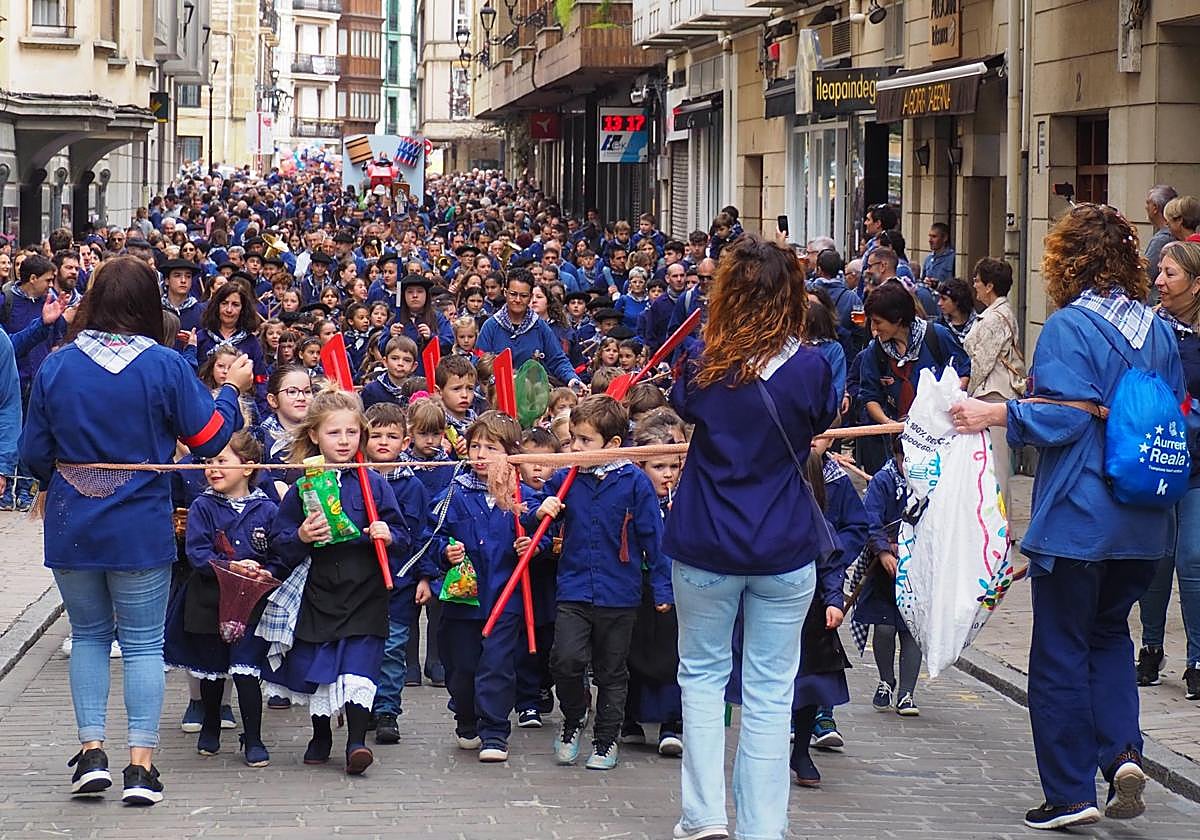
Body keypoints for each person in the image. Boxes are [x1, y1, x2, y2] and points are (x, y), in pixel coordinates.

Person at [949, 204, 1186, 830]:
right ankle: (1124, 751)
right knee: (1110, 636)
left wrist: (994, 414)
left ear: (1067, 260)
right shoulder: (1159, 331)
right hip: (1144, 522)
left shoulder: (1067, 326)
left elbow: (1065, 415)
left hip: (1081, 517)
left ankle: (1069, 792)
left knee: (1058, 651)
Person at [20, 256, 253, 805]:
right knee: (144, 642)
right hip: (140, 520)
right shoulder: (165, 365)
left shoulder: (58, 365)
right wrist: (229, 388)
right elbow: (213, 438)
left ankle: (92, 752)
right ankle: (141, 767)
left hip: (73, 521)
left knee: (91, 638)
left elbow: (33, 455)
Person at [665, 234, 838, 840]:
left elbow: (684, 405)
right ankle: (764, 826)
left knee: (704, 679)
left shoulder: (701, 360)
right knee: (769, 692)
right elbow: (819, 420)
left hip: (706, 538)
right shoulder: (813, 366)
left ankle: (704, 814)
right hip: (784, 543)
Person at [260, 389, 412, 776]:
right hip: (321, 589)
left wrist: (387, 533)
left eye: (351, 433)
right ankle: (321, 734)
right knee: (321, 665)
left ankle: (357, 742)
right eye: (334, 433)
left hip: (366, 589)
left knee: (360, 666)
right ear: (314, 436)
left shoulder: (373, 484)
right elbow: (281, 541)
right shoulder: (302, 487)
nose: (344, 441)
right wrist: (303, 537)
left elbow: (403, 533)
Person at [537, 395, 670, 772]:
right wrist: (538, 509)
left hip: (619, 593)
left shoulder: (634, 483)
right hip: (574, 587)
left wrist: (662, 588)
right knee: (565, 659)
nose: (575, 448)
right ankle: (574, 717)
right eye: (573, 439)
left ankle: (606, 737)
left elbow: (652, 538)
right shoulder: (566, 477)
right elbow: (534, 508)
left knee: (612, 669)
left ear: (612, 445)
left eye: (584, 441)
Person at [434, 411, 544, 762]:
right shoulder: (454, 492)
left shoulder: (521, 495)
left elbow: (541, 528)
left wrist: (534, 544)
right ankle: (465, 715)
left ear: (511, 452)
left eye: (491, 447)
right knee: (461, 668)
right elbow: (431, 535)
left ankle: (495, 731)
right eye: (475, 446)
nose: (480, 455)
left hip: (505, 597)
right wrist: (443, 552)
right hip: (462, 600)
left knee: (497, 664)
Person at [162, 431, 277, 768]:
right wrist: (229, 566)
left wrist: (265, 570)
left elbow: (279, 551)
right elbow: (197, 553)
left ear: (248, 467)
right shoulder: (202, 506)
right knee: (212, 669)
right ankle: (210, 724)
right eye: (207, 462)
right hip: (208, 601)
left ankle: (253, 737)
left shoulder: (267, 509)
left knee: (246, 671)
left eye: (221, 461)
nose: (212, 468)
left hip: (250, 605)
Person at [1135, 240, 1200, 700]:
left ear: (1197, 285)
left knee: (1192, 558)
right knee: (1156, 559)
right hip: (1155, 460)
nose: (1158, 281)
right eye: (1159, 272)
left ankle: (1197, 658)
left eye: (1170, 274)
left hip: (1197, 464)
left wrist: (1187, 411)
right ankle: (1151, 647)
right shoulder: (1150, 328)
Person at [362, 402, 436, 746]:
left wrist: (425, 576)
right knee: (362, 646)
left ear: (405, 442)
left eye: (391, 436)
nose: (382, 442)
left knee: (392, 648)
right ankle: (362, 706)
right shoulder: (353, 479)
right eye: (375, 435)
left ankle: (387, 709)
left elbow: (422, 534)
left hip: (401, 581)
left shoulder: (413, 486)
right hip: (361, 581)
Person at [962, 258, 1025, 505]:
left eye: (977, 280)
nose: (974, 285)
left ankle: (1002, 527)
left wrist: (968, 391)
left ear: (989, 286)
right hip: (995, 393)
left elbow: (983, 363)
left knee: (996, 465)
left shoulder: (994, 318)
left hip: (993, 394)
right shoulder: (998, 313)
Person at [476, 269, 583, 389]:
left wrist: (572, 379)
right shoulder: (490, 326)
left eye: (523, 296)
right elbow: (480, 365)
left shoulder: (540, 327)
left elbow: (557, 360)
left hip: (533, 397)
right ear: (505, 292)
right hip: (498, 396)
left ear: (530, 297)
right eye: (513, 294)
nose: (517, 300)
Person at [1144, 185, 1179, 286]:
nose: (1145, 207)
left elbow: (1146, 275)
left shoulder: (1162, 239)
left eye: (1148, 203)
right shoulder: (1168, 235)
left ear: (1155, 208)